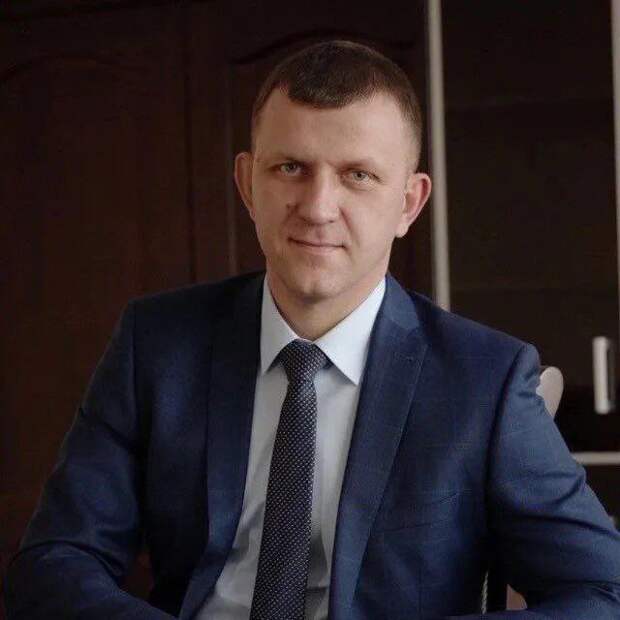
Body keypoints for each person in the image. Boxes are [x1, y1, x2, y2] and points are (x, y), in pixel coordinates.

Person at [5, 39, 620, 620]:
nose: (318, 207)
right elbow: (54, 562)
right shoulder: (158, 344)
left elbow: (603, 591)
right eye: (291, 167)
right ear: (248, 184)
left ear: (409, 203)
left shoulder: (485, 379)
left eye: (358, 175)